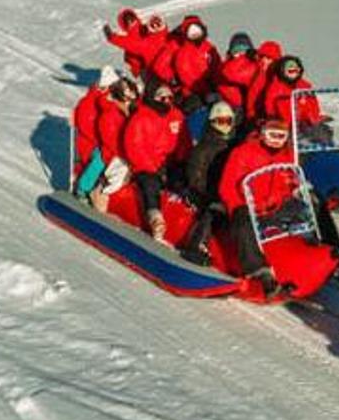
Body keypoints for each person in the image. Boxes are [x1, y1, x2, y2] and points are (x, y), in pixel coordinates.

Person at [219, 117, 305, 295]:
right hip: (247, 204)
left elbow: (288, 181)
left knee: (313, 205)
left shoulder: (286, 155)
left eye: (281, 136)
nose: (276, 141)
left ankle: (324, 250)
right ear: (263, 134)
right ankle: (259, 271)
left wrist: (292, 190)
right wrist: (241, 206)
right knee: (243, 222)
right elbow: (227, 186)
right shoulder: (244, 152)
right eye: (272, 135)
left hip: (273, 205)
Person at [172, 100, 240, 265]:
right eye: (221, 121)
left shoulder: (233, 146)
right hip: (202, 191)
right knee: (214, 210)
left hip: (223, 190)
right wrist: (211, 192)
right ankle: (196, 244)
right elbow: (195, 177)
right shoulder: (203, 148)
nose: (225, 126)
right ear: (212, 123)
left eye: (228, 121)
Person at [121, 81, 188, 238]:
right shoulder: (141, 118)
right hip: (146, 165)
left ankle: (186, 215)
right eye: (163, 98)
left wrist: (182, 160)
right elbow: (135, 146)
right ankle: (155, 218)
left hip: (170, 163)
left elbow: (184, 142)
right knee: (150, 183)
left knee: (183, 179)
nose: (167, 102)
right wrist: (153, 167)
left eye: (170, 98)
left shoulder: (176, 116)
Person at [83, 76, 138, 211]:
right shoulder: (109, 115)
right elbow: (111, 141)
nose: (129, 104)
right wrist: (128, 154)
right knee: (121, 170)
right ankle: (100, 193)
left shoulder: (129, 113)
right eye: (127, 100)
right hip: (113, 154)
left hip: (128, 153)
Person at [69, 66, 121, 191]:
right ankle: (83, 188)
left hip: (111, 142)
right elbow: (87, 129)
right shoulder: (88, 103)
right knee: (103, 156)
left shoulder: (116, 102)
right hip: (92, 145)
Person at [251, 54, 325, 137]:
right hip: (284, 124)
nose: (294, 74)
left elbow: (313, 105)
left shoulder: (305, 86)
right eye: (290, 71)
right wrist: (274, 120)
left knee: (321, 133)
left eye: (296, 71)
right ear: (283, 72)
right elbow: (270, 107)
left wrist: (313, 118)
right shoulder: (276, 88)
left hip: (304, 123)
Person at [156, 14, 221, 102]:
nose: (195, 34)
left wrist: (217, 85)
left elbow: (217, 66)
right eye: (191, 32)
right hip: (192, 92)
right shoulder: (182, 52)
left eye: (197, 30)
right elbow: (186, 76)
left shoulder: (208, 47)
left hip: (211, 88)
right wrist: (172, 80)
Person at [104, 9, 169, 78]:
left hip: (159, 67)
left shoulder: (147, 31)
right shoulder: (132, 42)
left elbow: (160, 32)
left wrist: (112, 38)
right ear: (123, 24)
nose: (130, 21)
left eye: (131, 17)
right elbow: (129, 45)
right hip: (147, 71)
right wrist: (112, 37)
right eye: (127, 20)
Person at [214, 33, 262, 111]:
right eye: (236, 51)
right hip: (231, 108)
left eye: (244, 51)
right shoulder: (224, 69)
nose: (240, 55)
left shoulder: (258, 65)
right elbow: (233, 75)